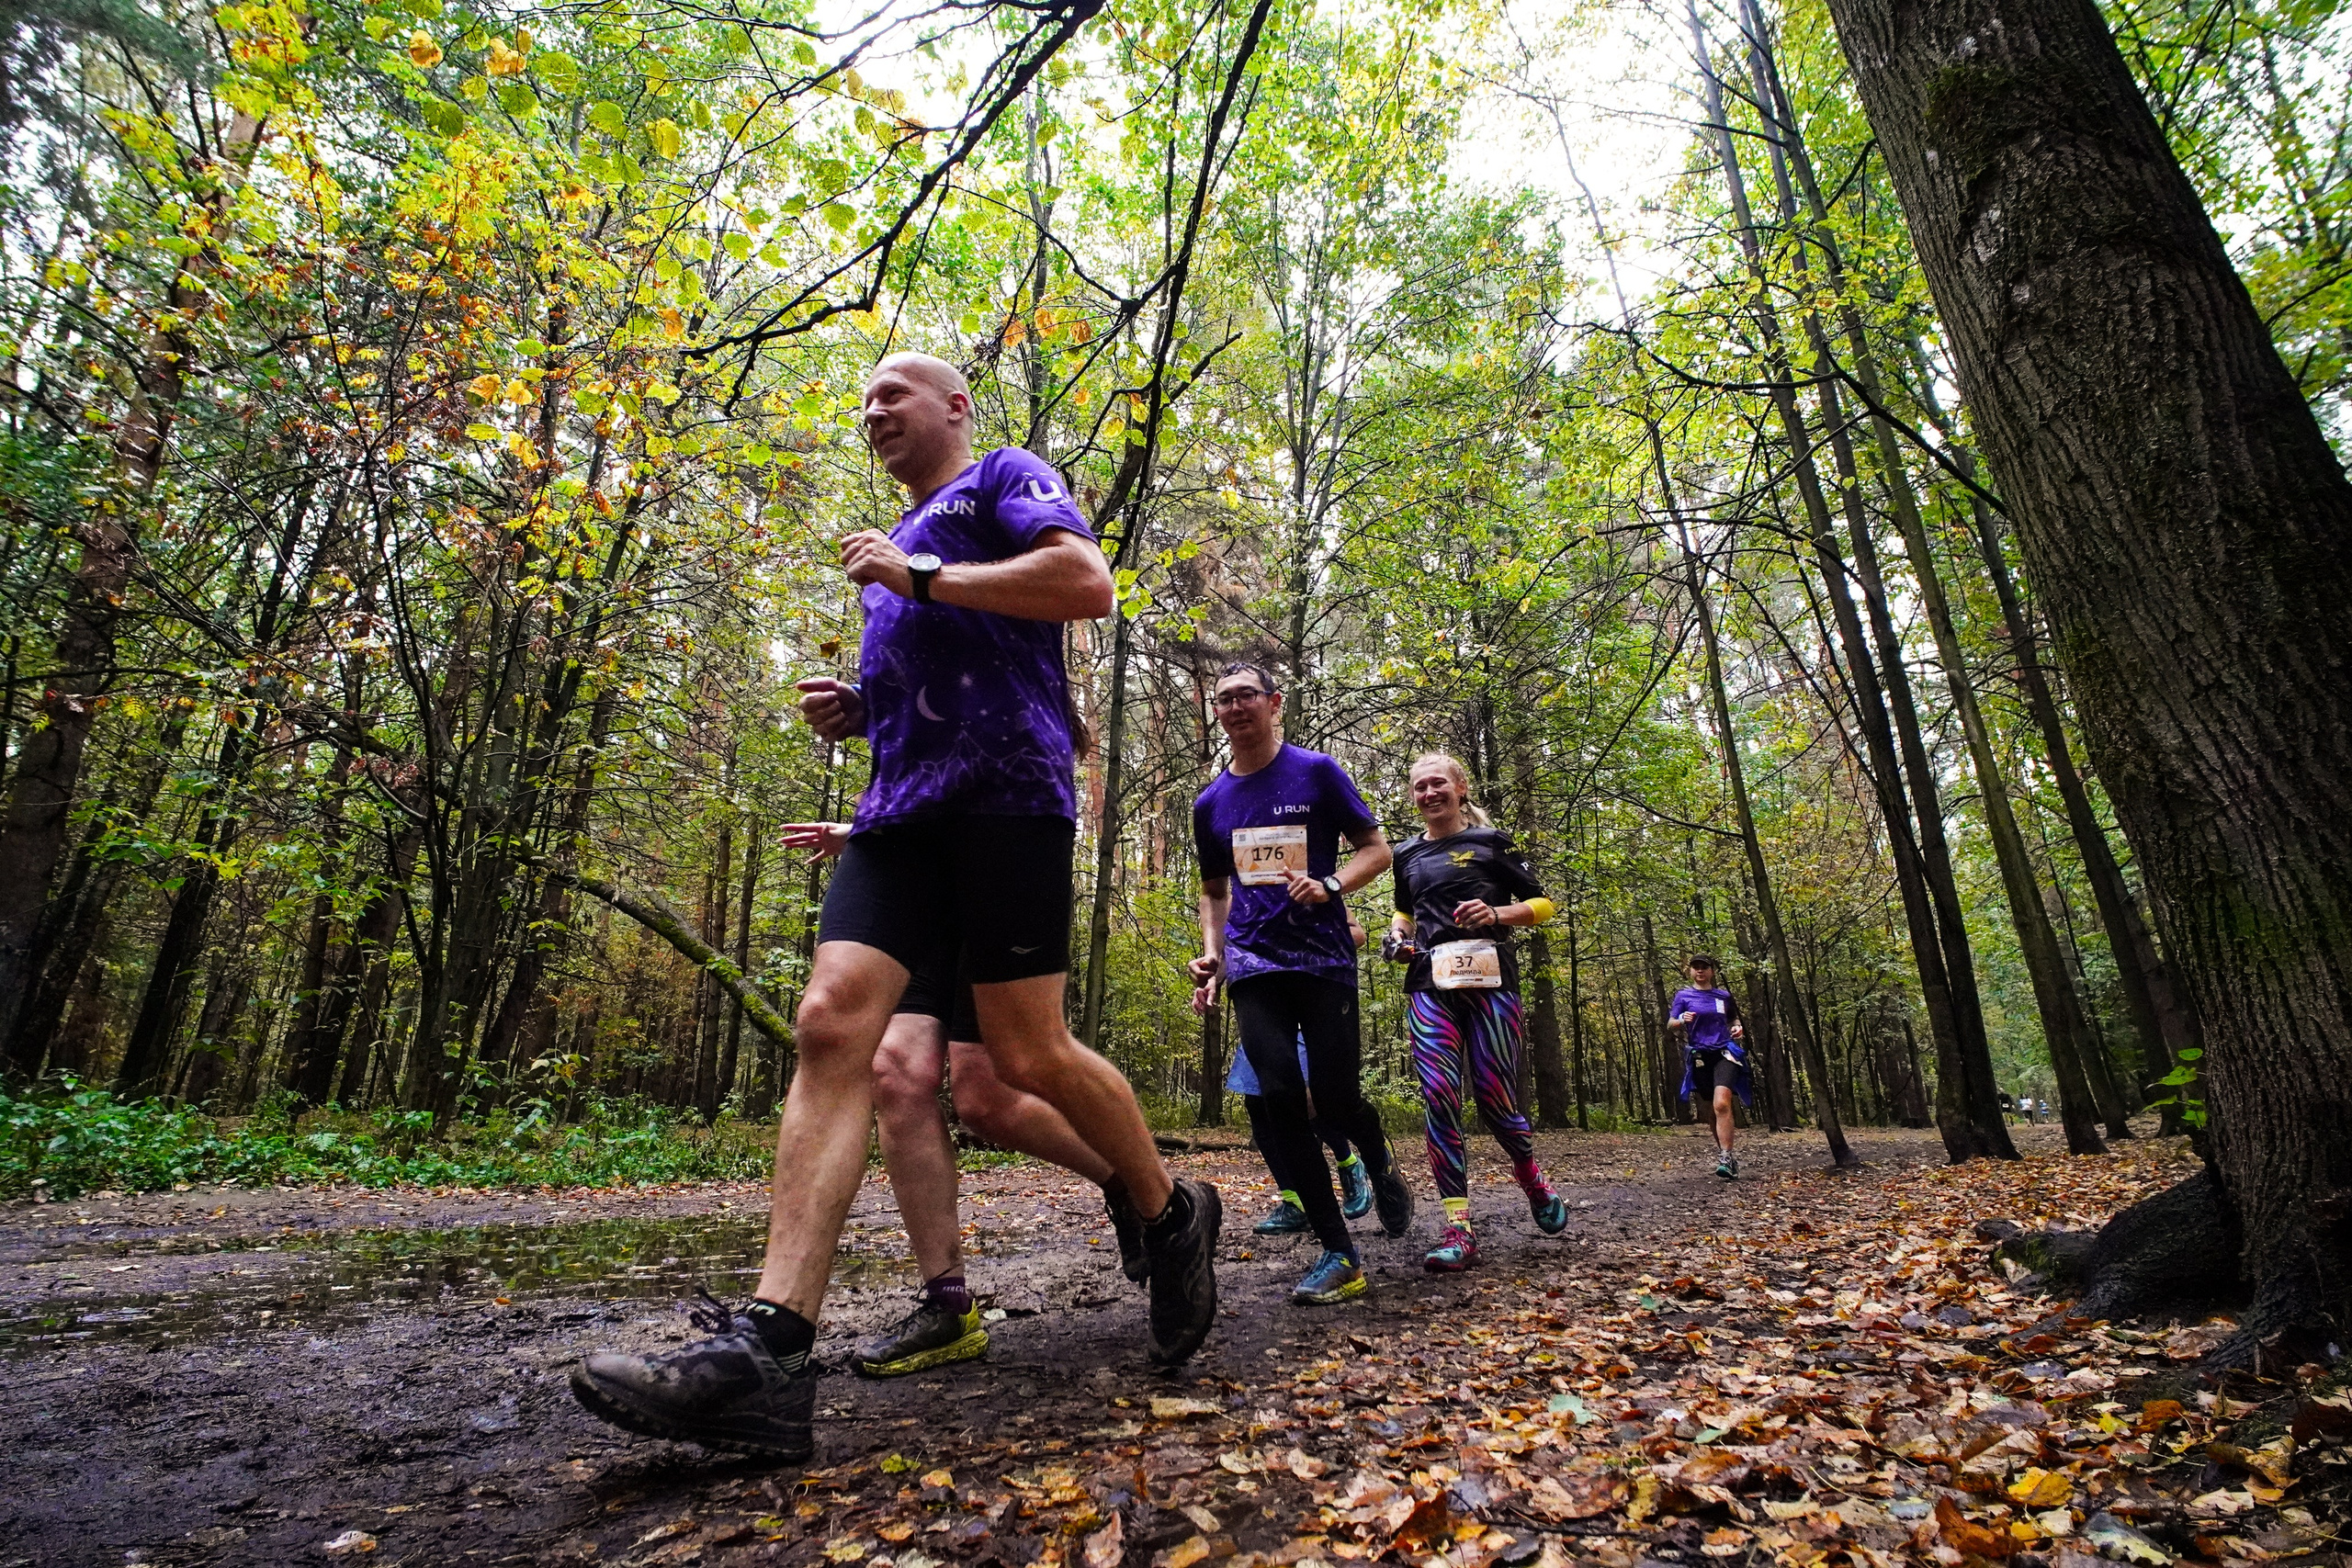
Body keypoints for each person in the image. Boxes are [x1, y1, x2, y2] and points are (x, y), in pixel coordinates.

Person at [570, 353, 1220, 1462]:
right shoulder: (899, 550)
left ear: (954, 408)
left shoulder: (1003, 481)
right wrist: (865, 709)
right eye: (861, 399)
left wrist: (918, 577)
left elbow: (1083, 585)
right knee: (834, 1023)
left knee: (1027, 1056)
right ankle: (769, 1354)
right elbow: (951, 678)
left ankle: (1167, 1212)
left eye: (891, 395)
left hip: (1010, 801)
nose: (871, 412)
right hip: (898, 815)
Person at [775, 822, 1148, 1380]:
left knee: (983, 1099)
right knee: (893, 1068)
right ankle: (949, 1306)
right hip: (917, 883)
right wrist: (865, 830)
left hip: (996, 870)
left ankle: (1131, 1183)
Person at [1190, 662, 1410, 1307]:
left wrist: (1332, 885)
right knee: (1281, 1095)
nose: (1234, 708)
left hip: (1322, 959)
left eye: (1246, 696)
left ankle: (1379, 1159)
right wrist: (1213, 953)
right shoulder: (1210, 803)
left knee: (1336, 1099)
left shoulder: (1316, 772)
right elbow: (1213, 892)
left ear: (1273, 703)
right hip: (1255, 965)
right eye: (1225, 699)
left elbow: (1378, 849)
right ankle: (1339, 1249)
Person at [1384, 752, 1571, 1273]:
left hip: (1491, 984)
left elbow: (1542, 904)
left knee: (1493, 1097)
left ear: (1461, 788)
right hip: (1429, 982)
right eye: (1419, 787)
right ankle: (1457, 1226)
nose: (1428, 793)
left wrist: (1496, 913)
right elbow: (1405, 912)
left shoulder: (1491, 844)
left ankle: (1530, 1175)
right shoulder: (1406, 855)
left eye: (1437, 783)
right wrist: (1398, 938)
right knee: (1439, 1096)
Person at [1229, 915, 1375, 1235]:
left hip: (1309, 999)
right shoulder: (1247, 895)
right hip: (1263, 998)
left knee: (1311, 1102)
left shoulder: (1311, 886)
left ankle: (1349, 1162)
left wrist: (1306, 944)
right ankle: (1295, 1202)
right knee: (1259, 1106)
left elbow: (1357, 934)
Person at [1668, 954, 1750, 1179]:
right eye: (1696, 968)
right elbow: (1671, 1024)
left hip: (1725, 1052)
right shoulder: (1683, 995)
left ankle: (1725, 1155)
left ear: (1712, 971)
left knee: (1722, 1103)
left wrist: (1737, 1028)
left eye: (1704, 967)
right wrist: (1681, 1019)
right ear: (1690, 971)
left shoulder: (1723, 996)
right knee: (1711, 1112)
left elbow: (1733, 1020)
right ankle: (1728, 1157)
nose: (1700, 971)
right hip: (1699, 1056)